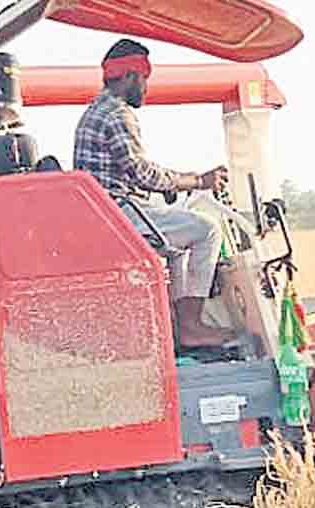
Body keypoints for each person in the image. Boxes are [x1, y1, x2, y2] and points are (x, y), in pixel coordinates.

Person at [73, 38, 234, 348]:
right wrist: (198, 181)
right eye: (144, 79)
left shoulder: (96, 110)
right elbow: (142, 173)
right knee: (207, 231)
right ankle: (192, 327)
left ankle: (184, 327)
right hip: (118, 214)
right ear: (130, 76)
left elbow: (131, 172)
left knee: (179, 247)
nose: (146, 88)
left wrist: (175, 185)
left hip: (107, 211)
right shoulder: (116, 113)